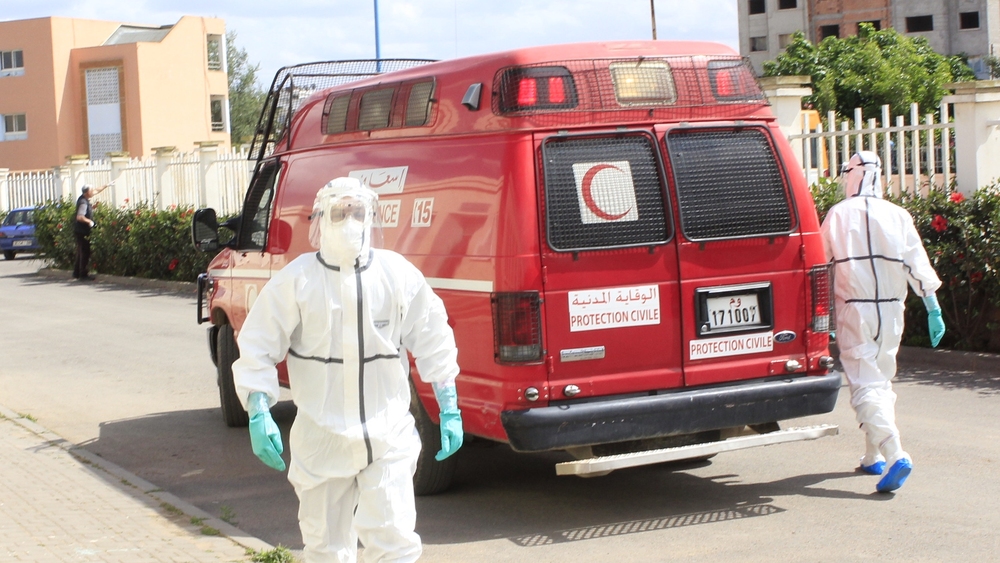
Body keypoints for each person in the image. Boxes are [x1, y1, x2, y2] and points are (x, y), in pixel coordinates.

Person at [232, 177, 463, 562]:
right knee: (326, 548)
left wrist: (449, 405)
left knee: (394, 542)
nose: (350, 221)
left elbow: (433, 336)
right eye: (340, 212)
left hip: (387, 436)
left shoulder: (396, 274)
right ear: (321, 219)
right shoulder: (298, 280)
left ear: (371, 216)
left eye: (357, 212)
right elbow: (258, 344)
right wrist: (258, 410)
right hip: (322, 440)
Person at [821, 151, 946, 493]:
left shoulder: (838, 214)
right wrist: (933, 308)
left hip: (855, 311)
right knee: (881, 382)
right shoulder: (898, 215)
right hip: (892, 312)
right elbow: (917, 264)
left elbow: (818, 264)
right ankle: (872, 455)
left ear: (852, 175)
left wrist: (821, 315)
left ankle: (894, 454)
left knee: (865, 385)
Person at [73, 183, 111, 280]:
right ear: (87, 192)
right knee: (85, 252)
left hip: (80, 230)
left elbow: (96, 190)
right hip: (82, 231)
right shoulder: (83, 202)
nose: (93, 191)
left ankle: (77, 273)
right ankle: (83, 274)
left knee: (80, 251)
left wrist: (106, 185)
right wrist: (89, 221)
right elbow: (80, 217)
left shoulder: (84, 198)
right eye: (91, 190)